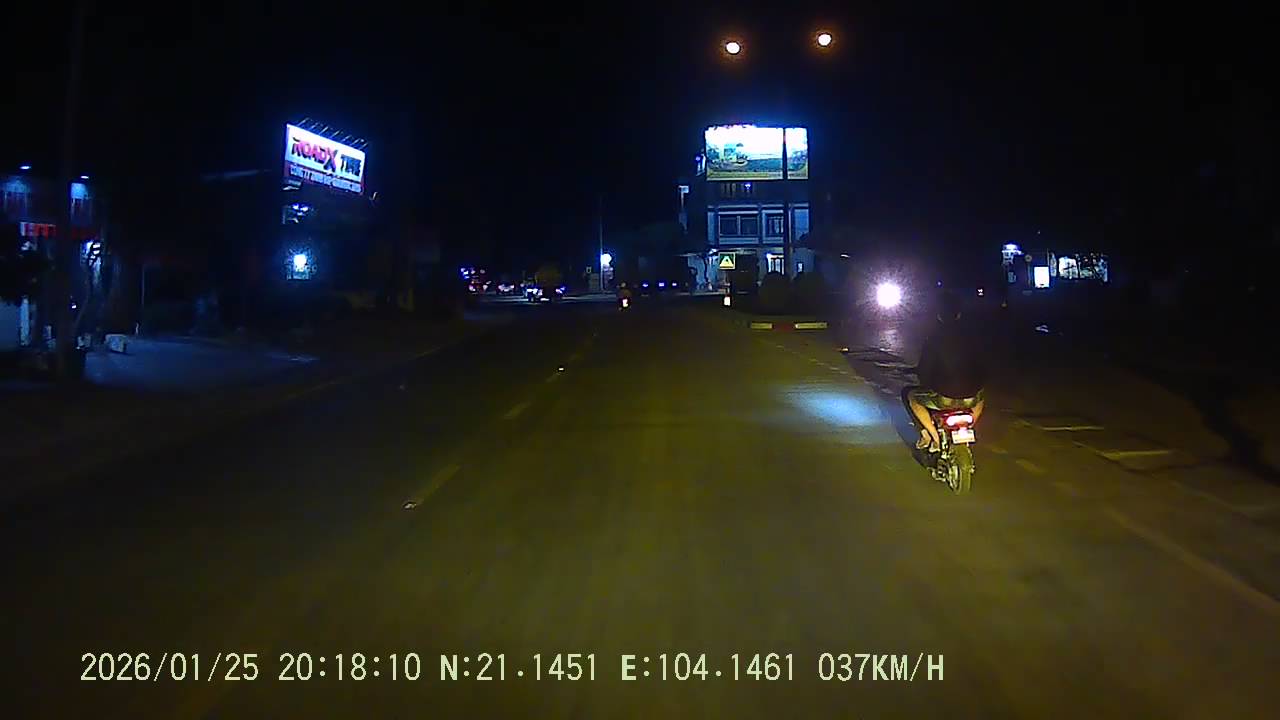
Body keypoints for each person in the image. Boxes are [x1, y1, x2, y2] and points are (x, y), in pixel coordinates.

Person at [907, 289, 987, 452]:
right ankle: (969, 427)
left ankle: (932, 437)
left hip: (944, 397)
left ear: (938, 315)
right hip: (971, 396)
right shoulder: (973, 336)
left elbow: (925, 370)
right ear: (959, 314)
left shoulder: (934, 338)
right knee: (981, 397)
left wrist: (928, 381)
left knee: (911, 396)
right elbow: (983, 365)